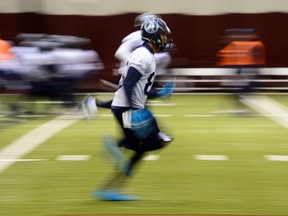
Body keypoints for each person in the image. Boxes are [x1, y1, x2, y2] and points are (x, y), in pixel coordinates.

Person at [94, 18, 174, 201]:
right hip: (127, 109)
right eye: (163, 35)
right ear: (154, 35)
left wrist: (159, 93)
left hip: (126, 107)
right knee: (157, 141)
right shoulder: (143, 55)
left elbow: (139, 86)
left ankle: (111, 187)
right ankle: (116, 150)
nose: (166, 39)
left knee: (144, 145)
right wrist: (133, 110)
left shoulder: (146, 54)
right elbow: (128, 84)